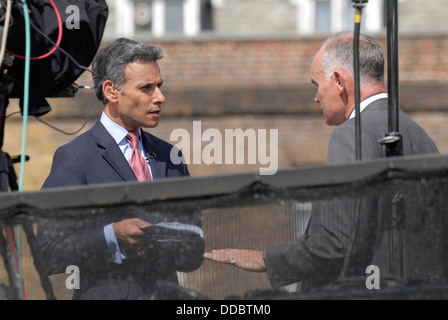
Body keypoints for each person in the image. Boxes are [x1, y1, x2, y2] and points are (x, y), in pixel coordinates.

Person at [203, 31, 439, 291]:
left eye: (316, 84)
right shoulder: (421, 136)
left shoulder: (351, 134)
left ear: (338, 81)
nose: (315, 97)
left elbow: (335, 240)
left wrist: (266, 259)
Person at [37, 38, 204, 299]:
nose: (160, 97)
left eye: (159, 86)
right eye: (146, 88)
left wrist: (176, 238)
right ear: (111, 91)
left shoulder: (171, 157)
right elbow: (48, 252)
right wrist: (111, 235)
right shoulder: (75, 158)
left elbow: (193, 254)